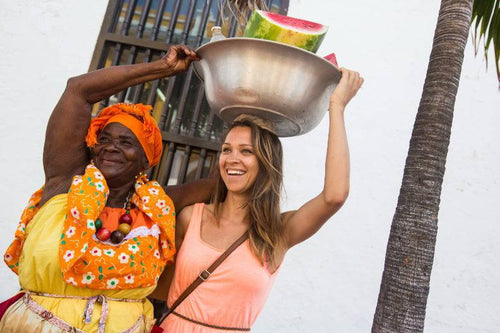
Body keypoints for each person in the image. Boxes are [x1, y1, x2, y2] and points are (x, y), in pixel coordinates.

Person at [0, 45, 214, 332]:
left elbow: (222, 182)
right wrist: (162, 68)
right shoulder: (65, 184)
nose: (112, 147)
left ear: (145, 161)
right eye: (105, 139)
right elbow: (78, 89)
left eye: (126, 143)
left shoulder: (155, 208)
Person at [152, 68, 364, 331]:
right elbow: (157, 288)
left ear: (265, 163)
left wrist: (337, 106)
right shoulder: (190, 217)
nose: (232, 159)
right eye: (226, 150)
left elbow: (334, 196)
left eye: (246, 151)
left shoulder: (278, 233)